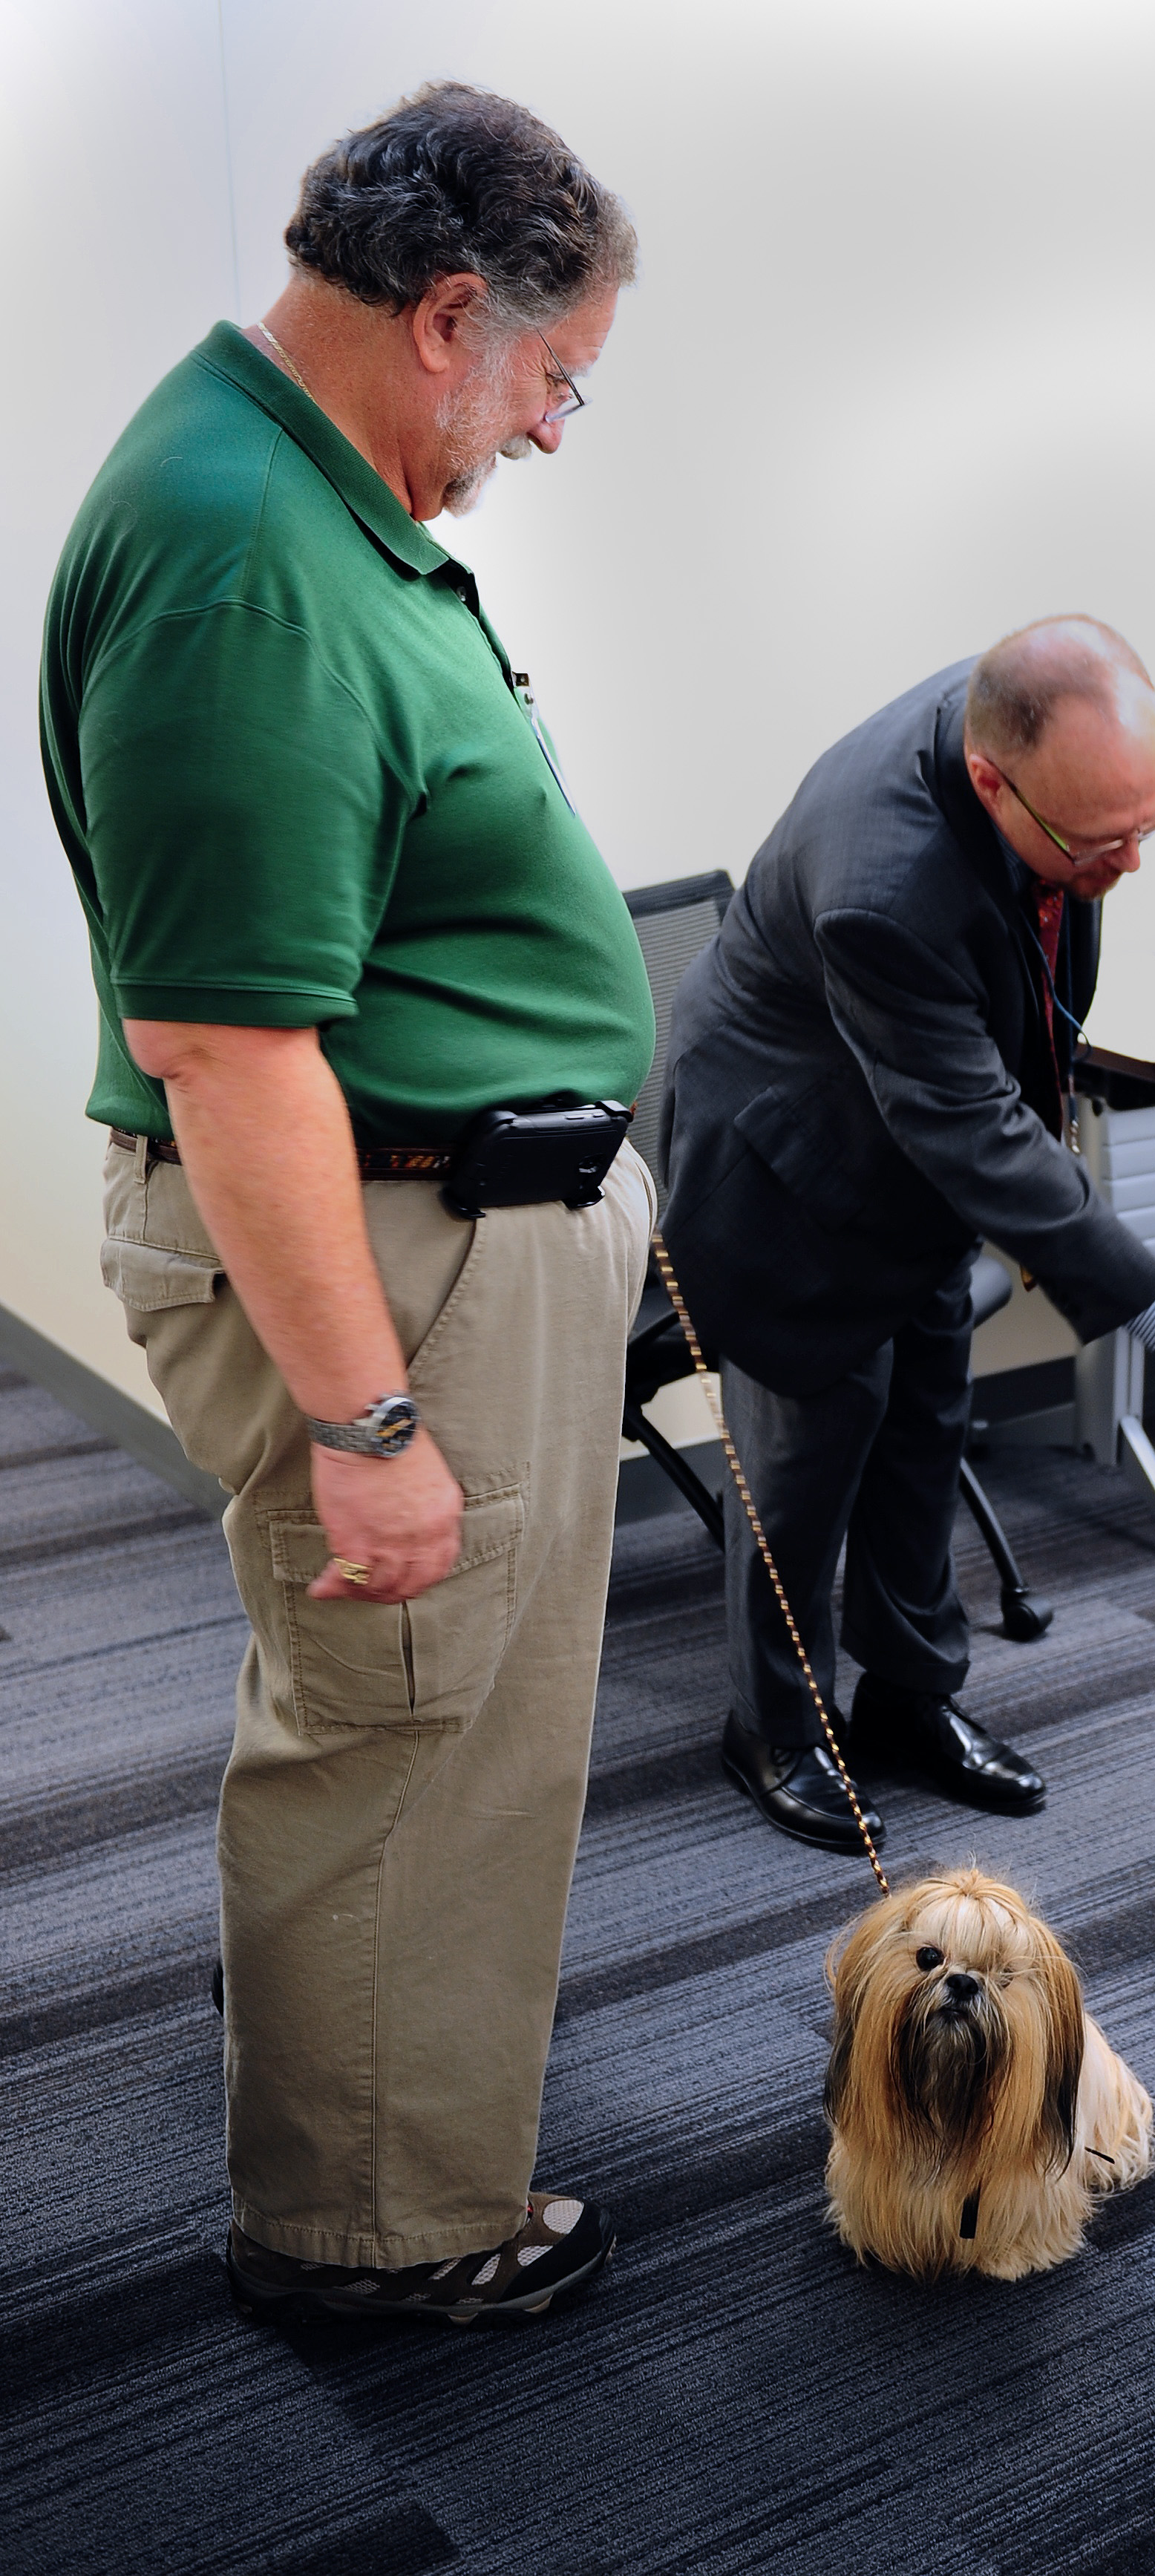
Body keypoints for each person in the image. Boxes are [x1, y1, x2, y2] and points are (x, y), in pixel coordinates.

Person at [42, 85, 656, 2326]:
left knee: (459, 1720)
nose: (556, 429)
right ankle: (372, 2230)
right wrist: (371, 1420)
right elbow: (229, 1045)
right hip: (388, 1255)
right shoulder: (243, 554)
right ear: (448, 312)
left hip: (452, 1226)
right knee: (401, 1729)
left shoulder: (302, 499)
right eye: (556, 377)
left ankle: (405, 2145)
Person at [659, 619, 1155, 1854]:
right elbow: (975, 1130)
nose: (1129, 864)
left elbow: (1000, 1054)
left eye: (1146, 826)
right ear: (995, 780)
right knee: (806, 1464)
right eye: (1099, 844)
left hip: (917, 1162)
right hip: (794, 1169)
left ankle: (909, 1699)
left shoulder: (1037, 728)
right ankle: (776, 1729)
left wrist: (1092, 855)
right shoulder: (882, 888)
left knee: (923, 1426)